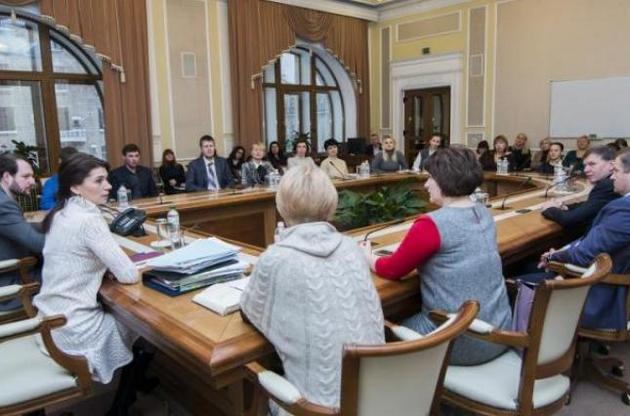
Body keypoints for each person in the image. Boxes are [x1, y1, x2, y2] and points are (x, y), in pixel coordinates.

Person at [240, 163, 384, 412]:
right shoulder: (350, 247)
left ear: (281, 206)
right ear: (331, 205)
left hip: (318, 410)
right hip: (379, 399)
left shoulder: (275, 258)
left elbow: (248, 311)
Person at [363, 147, 512, 365]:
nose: (426, 184)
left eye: (430, 177)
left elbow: (393, 269)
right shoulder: (484, 212)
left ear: (444, 180)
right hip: (499, 332)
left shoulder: (431, 224)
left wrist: (367, 256)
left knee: (376, 330)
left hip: (456, 340)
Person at [33, 153, 142, 414]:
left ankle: (135, 387)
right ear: (75, 187)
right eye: (99, 181)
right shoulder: (89, 219)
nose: (108, 186)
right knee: (147, 327)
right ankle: (123, 403)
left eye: (107, 179)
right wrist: (112, 268)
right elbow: (129, 274)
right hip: (75, 328)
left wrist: (104, 268)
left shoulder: (61, 212)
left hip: (49, 319)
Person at [522, 149, 630, 331]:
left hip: (596, 294)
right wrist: (562, 251)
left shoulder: (624, 210)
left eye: (616, 171)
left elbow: (583, 255)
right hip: (599, 278)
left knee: (512, 283)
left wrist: (552, 257)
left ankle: (527, 343)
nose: (612, 177)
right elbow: (591, 242)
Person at [0, 154, 45, 311]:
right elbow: (37, 243)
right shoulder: (3, 204)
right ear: (7, 177)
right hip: (11, 285)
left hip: (13, 272)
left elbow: (16, 227)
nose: (32, 182)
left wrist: (50, 225)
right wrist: (72, 241)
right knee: (76, 273)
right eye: (26, 176)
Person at [541, 146, 619, 233]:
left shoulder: (608, 185)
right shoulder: (610, 182)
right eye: (585, 165)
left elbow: (569, 220)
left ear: (611, 165)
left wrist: (549, 208)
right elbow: (591, 204)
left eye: (592, 164)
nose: (585, 170)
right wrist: (565, 207)